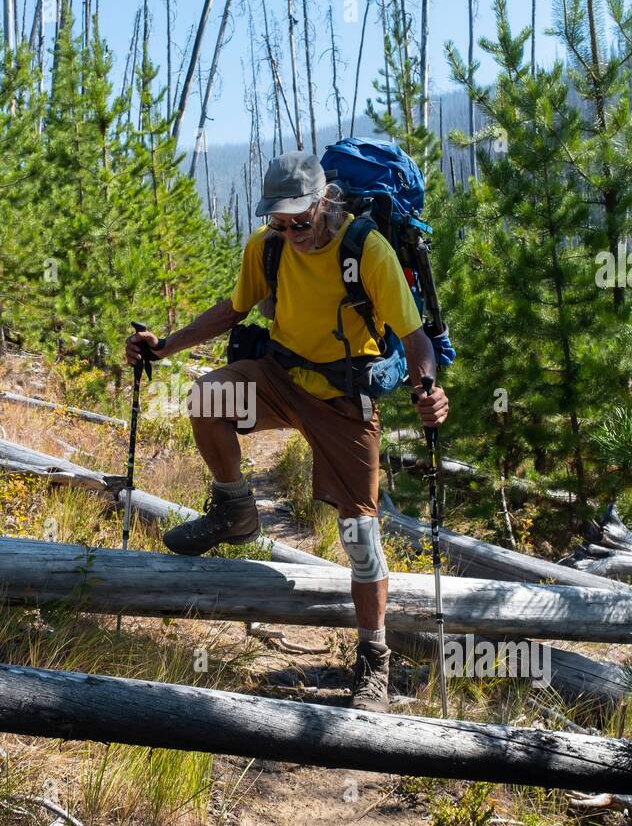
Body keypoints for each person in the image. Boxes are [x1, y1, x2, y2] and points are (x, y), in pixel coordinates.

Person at [125, 150, 449, 712]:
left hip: (345, 400)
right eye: (279, 221)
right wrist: (165, 346)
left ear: (324, 202)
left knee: (361, 540)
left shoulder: (366, 250)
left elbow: (415, 338)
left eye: (300, 220)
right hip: (279, 376)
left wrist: (426, 388)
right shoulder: (267, 248)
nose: (291, 232)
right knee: (207, 396)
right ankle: (234, 511)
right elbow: (231, 311)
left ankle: (373, 662)